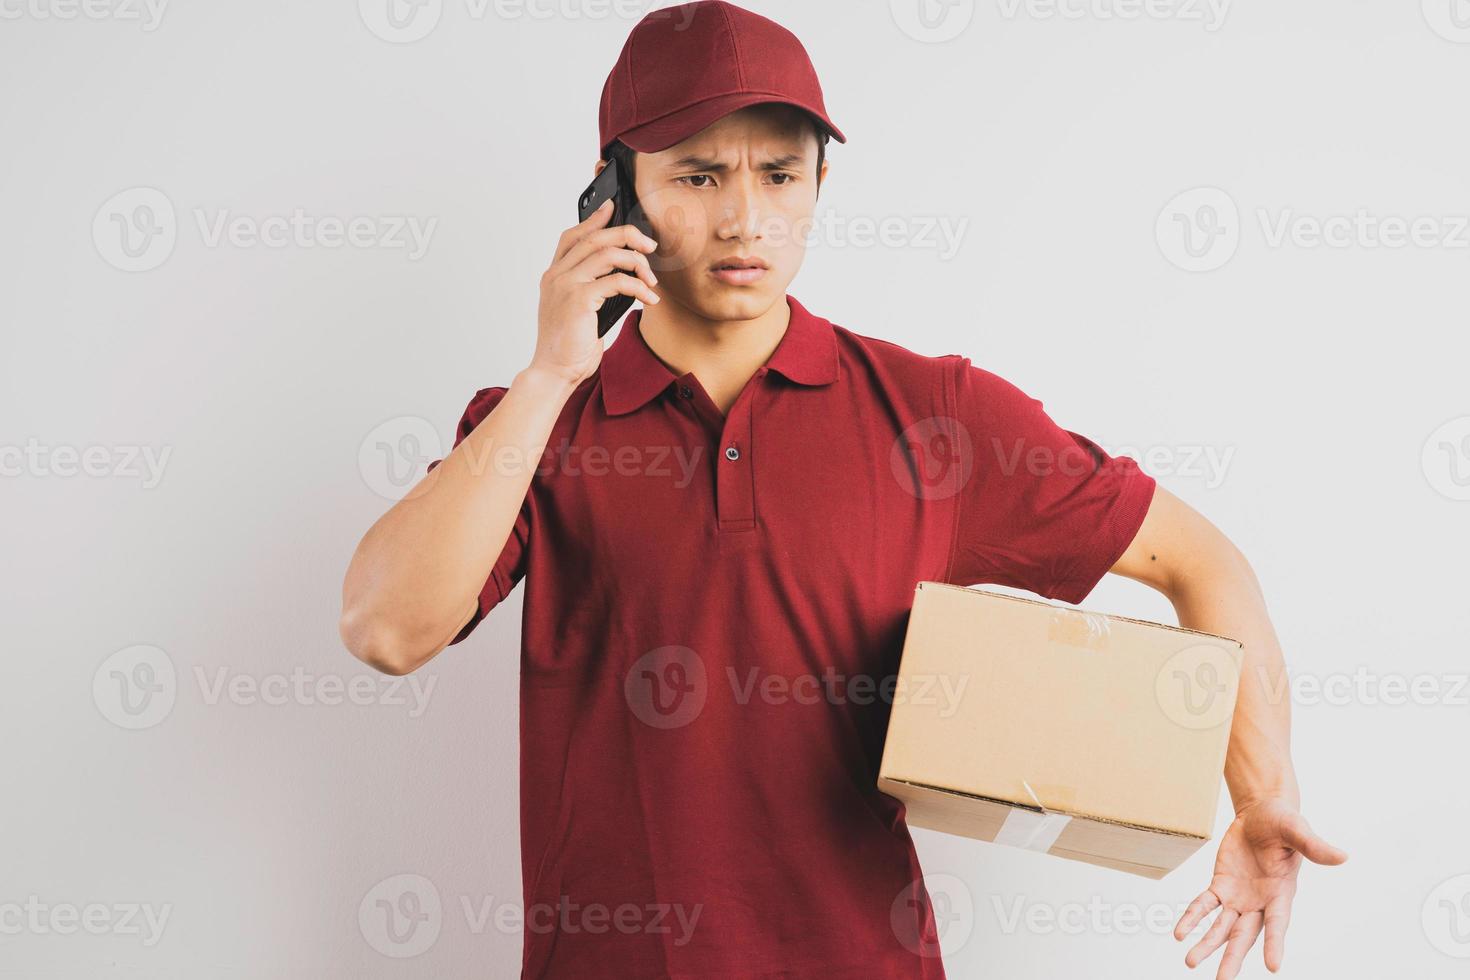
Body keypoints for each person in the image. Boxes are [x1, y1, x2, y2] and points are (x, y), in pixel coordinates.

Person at [339, 2, 1346, 977]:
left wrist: (1262, 791)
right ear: (613, 196)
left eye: (780, 174)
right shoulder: (535, 425)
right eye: (696, 175)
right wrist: (551, 371)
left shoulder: (935, 413)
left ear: (819, 181)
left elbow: (1202, 562)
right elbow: (385, 627)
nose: (745, 218)